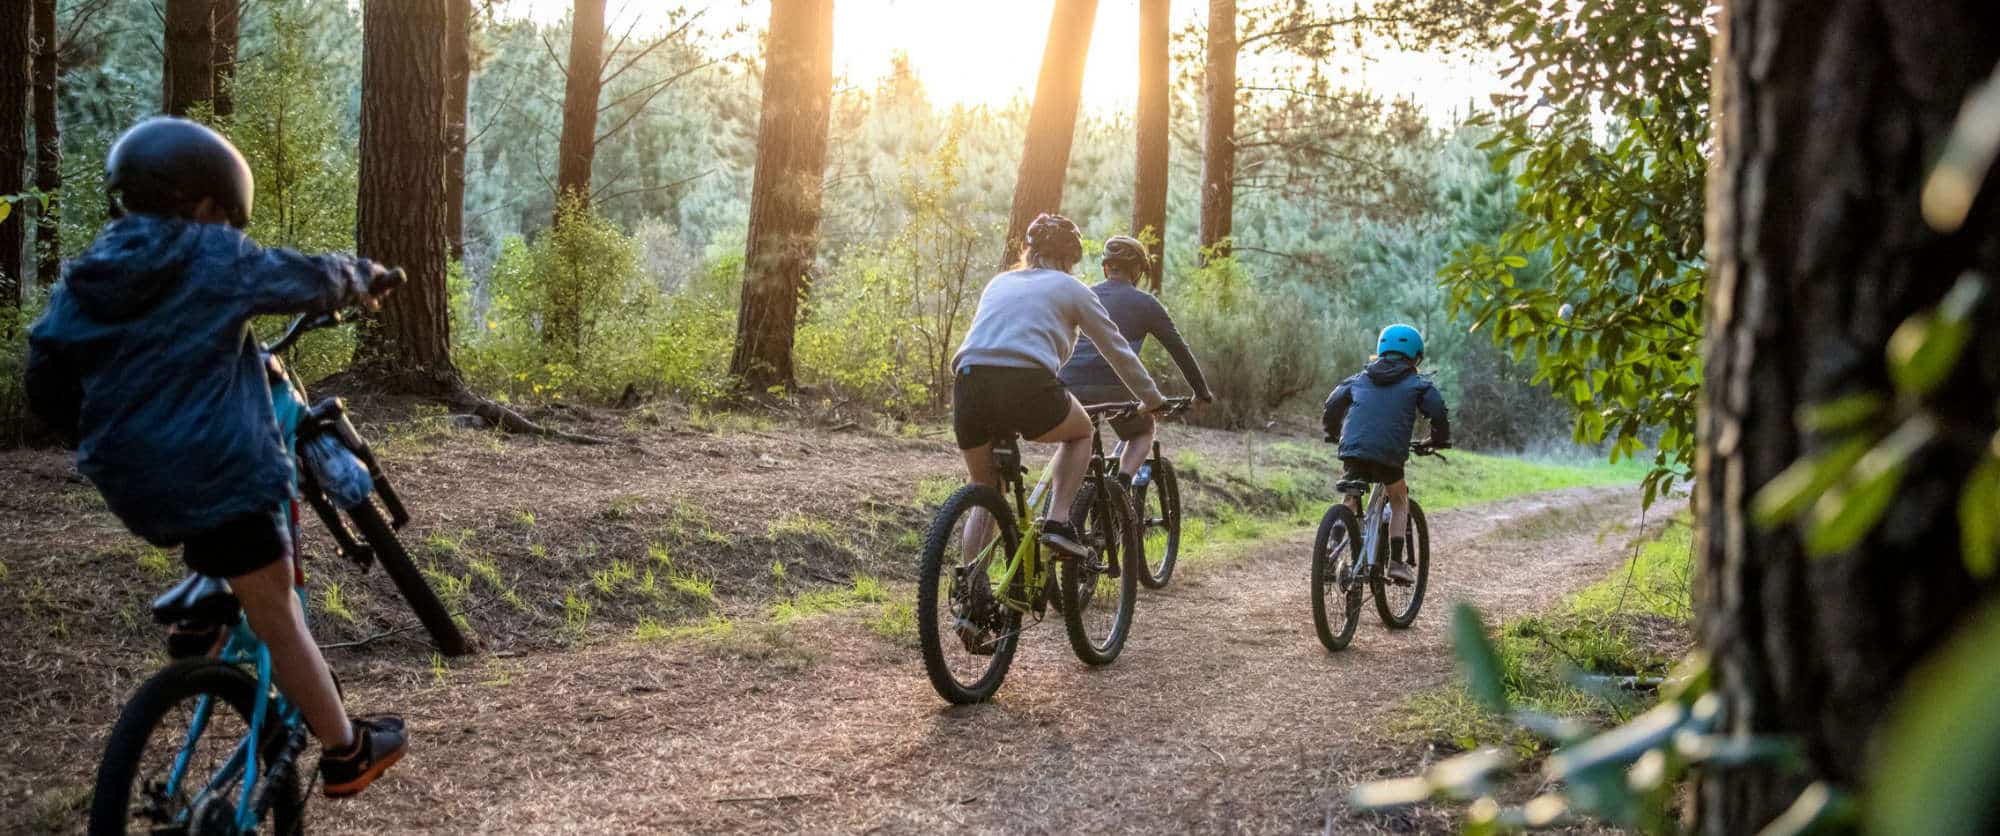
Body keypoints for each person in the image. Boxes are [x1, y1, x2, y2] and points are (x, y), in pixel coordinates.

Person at [24, 117, 407, 798]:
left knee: (207, 515)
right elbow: (304, 277)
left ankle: (203, 607)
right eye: (225, 215)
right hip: (222, 475)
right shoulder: (210, 256)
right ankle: (347, 750)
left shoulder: (93, 271)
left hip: (130, 482)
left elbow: (46, 376)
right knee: (277, 608)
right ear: (205, 204)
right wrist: (365, 279)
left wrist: (107, 429)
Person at [952, 214, 1168, 560]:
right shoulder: (1072, 289)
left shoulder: (999, 283)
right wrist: (1152, 400)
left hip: (968, 380)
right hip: (1026, 380)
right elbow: (1118, 351)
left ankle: (969, 593)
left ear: (1030, 251)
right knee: (1081, 432)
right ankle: (1057, 523)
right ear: (1070, 259)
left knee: (985, 487)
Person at [1058, 234, 1214, 486]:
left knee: (1078, 441)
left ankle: (1070, 506)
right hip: (1116, 383)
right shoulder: (1146, 304)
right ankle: (1121, 485)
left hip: (1068, 382)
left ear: (1106, 267)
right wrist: (1201, 392)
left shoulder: (1084, 295)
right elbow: (1179, 349)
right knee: (1143, 431)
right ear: (1138, 271)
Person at [1321, 324, 1452, 585]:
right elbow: (1437, 411)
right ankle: (1396, 563)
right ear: (1416, 356)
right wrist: (1438, 440)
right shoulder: (1417, 384)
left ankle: (1330, 553)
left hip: (1353, 450)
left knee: (1350, 497)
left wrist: (1334, 433)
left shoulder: (1359, 378)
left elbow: (1333, 403)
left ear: (1381, 350)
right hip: (1389, 454)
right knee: (1399, 499)